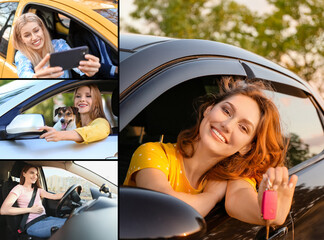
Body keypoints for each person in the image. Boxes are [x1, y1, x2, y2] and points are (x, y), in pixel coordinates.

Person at [124, 77, 298, 226]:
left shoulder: (231, 177)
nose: (227, 125)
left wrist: (270, 213)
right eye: (226, 111)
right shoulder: (153, 152)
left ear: (247, 147)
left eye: (243, 128)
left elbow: (241, 200)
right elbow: (165, 208)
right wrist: (212, 197)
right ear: (209, 109)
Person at [12, 13, 101, 78]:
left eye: (36, 31)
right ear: (21, 39)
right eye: (27, 35)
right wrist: (35, 77)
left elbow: (77, 66)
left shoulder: (58, 45)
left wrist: (88, 69)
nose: (34, 37)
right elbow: (25, 74)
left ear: (42, 29)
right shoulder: (21, 55)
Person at [0, 164, 66, 238]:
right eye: (32, 173)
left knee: (71, 221)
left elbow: (54, 196)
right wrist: (30, 209)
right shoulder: (18, 188)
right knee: (68, 227)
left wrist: (71, 192)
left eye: (36, 174)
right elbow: (4, 210)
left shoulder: (38, 190)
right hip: (33, 225)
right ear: (24, 173)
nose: (35, 176)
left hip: (46, 219)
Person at [39, 84, 110, 144]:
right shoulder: (76, 125)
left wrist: (60, 135)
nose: (82, 99)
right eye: (78, 96)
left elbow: (96, 131)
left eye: (88, 96)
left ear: (96, 102)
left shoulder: (102, 122)